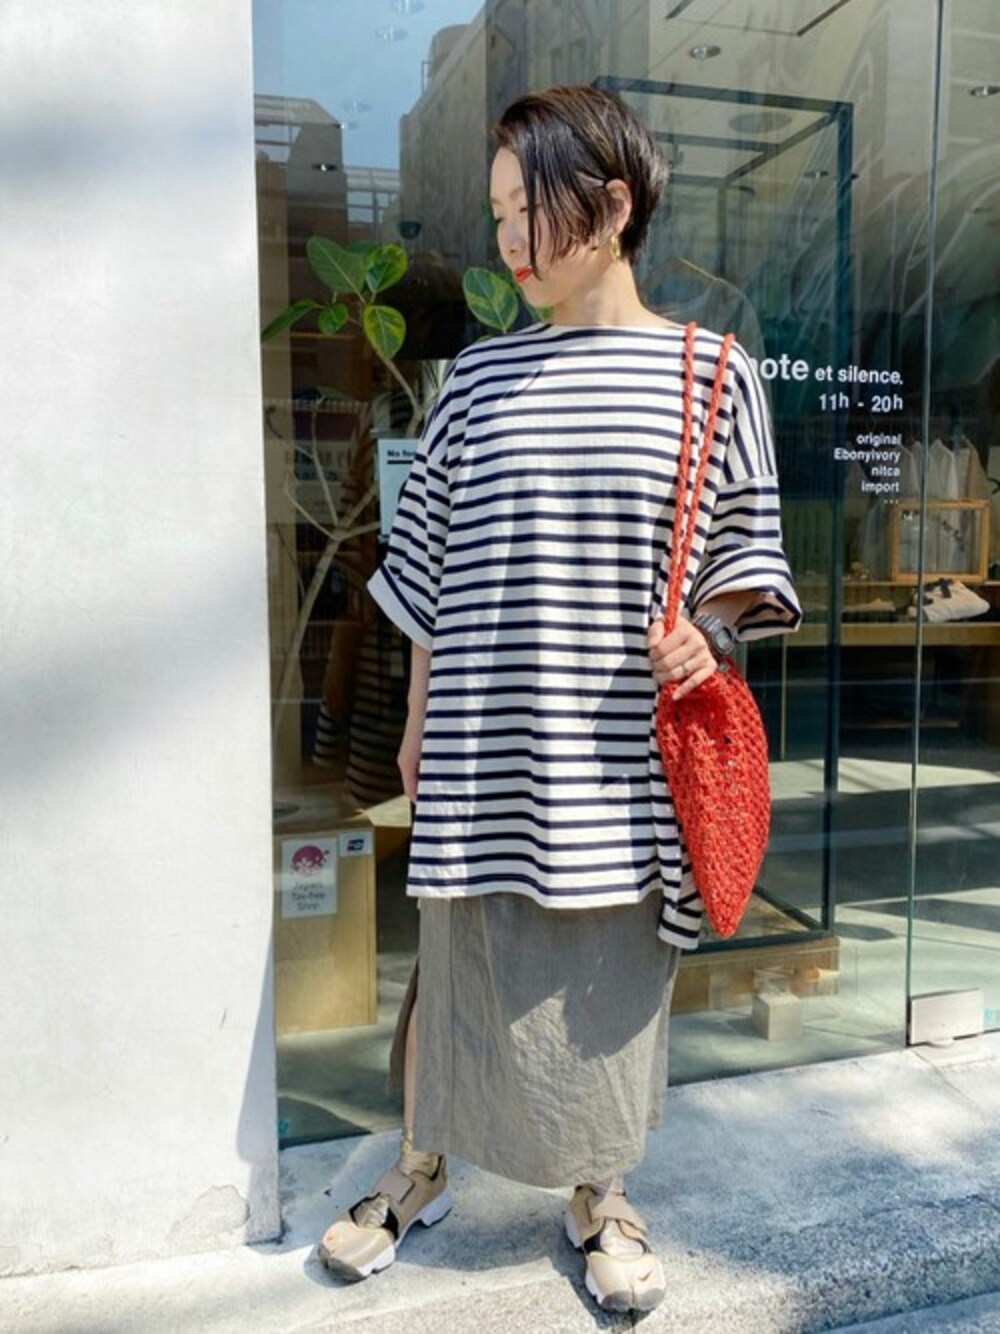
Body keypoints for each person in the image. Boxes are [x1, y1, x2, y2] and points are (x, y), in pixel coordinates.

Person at [318, 84, 801, 1315]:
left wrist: (709, 631)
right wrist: (416, 726)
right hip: (480, 743)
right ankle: (422, 1161)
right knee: (461, 959)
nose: (508, 243)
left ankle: (602, 1191)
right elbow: (426, 576)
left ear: (612, 204)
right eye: (495, 216)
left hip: (615, 757)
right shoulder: (475, 382)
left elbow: (746, 559)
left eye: (524, 211)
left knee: (604, 978)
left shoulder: (711, 374)